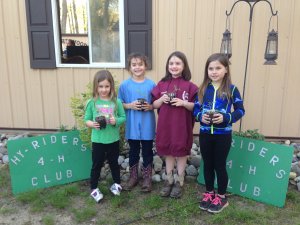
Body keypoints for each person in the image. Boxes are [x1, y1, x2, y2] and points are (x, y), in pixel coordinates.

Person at [193, 53, 245, 213]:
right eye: (210, 68)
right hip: (205, 133)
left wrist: (226, 117)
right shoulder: (202, 89)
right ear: (206, 71)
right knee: (207, 164)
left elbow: (241, 110)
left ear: (226, 70)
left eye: (218, 68)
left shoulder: (232, 89)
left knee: (219, 165)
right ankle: (209, 193)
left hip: (223, 135)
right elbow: (195, 109)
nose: (214, 71)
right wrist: (200, 116)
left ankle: (222, 197)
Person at [152, 51, 198, 198]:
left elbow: (196, 107)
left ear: (184, 66)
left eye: (178, 63)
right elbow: (154, 104)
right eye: (171, 63)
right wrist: (161, 100)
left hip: (182, 126)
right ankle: (169, 180)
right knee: (169, 152)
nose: (174, 66)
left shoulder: (191, 86)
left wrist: (183, 103)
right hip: (166, 125)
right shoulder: (162, 84)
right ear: (167, 66)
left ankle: (180, 181)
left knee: (182, 151)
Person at [84, 70, 126, 203]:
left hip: (113, 139)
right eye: (100, 86)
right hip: (98, 140)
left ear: (111, 86)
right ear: (96, 87)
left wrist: (116, 121)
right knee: (96, 164)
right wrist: (92, 124)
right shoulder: (92, 102)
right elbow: (87, 119)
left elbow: (123, 117)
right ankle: (94, 188)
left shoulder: (116, 102)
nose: (103, 89)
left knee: (114, 163)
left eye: (106, 86)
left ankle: (117, 184)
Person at [118, 53, 156, 192]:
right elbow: (118, 103)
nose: (137, 67)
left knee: (147, 150)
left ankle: (147, 178)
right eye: (134, 65)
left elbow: (156, 103)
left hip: (147, 123)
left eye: (140, 64)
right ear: (129, 67)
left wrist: (150, 106)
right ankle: (133, 177)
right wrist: (129, 105)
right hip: (132, 124)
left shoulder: (151, 84)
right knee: (133, 151)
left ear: (145, 66)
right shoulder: (124, 85)